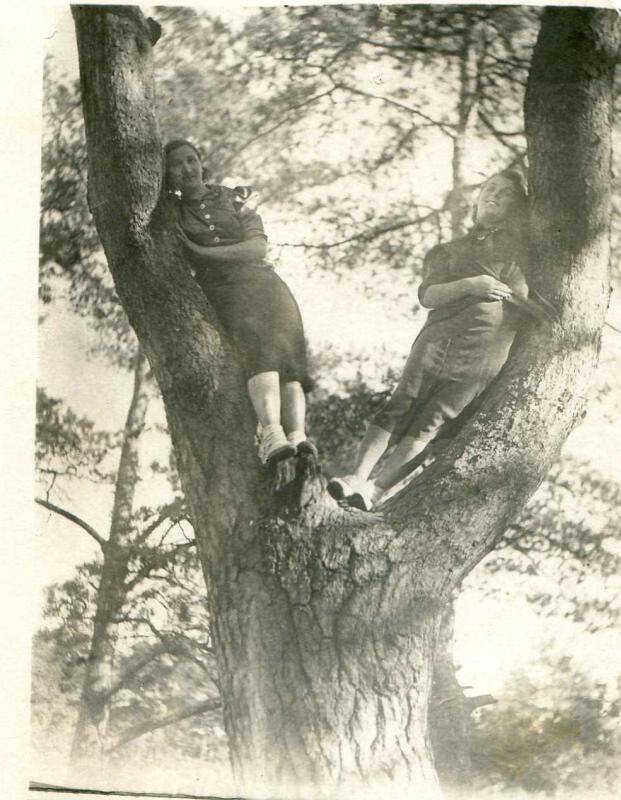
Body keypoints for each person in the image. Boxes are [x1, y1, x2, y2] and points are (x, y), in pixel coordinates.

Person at [328, 170, 533, 511]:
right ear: (477, 198)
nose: (494, 193)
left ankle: (375, 491)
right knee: (402, 402)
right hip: (440, 337)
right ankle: (357, 476)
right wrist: (473, 285)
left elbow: (525, 301)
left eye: (506, 192)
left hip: (484, 352)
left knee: (434, 420)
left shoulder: (523, 253)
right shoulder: (450, 250)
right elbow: (429, 295)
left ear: (517, 206)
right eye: (489, 187)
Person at [164, 138, 315, 464]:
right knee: (258, 350)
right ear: (168, 175)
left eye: (192, 160)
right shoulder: (172, 211)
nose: (187, 169)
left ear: (201, 162)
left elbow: (257, 248)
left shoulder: (233, 197)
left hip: (267, 284)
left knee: (289, 361)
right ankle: (272, 433)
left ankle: (298, 436)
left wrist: (202, 252)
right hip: (224, 288)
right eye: (177, 165)